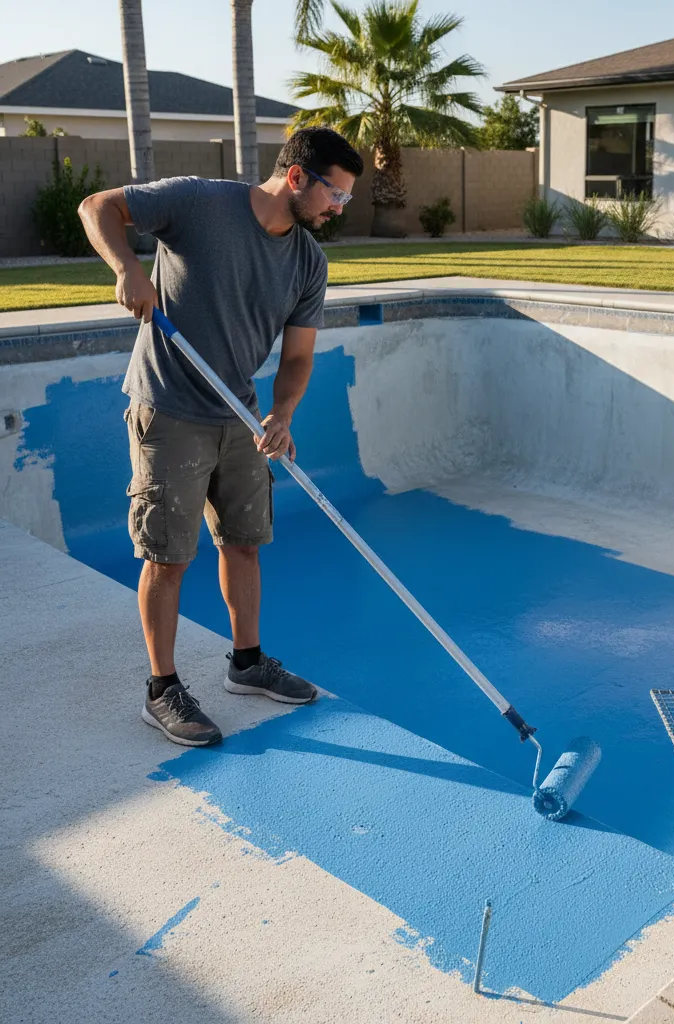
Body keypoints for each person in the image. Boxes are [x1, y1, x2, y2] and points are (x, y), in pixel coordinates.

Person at [78, 127, 364, 747]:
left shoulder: (308, 261)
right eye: (334, 196)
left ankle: (247, 662)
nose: (337, 209)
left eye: (343, 200)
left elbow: (296, 361)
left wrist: (282, 414)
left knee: (243, 544)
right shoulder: (199, 202)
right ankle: (162, 690)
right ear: (296, 177)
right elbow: (97, 206)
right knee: (170, 555)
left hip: (241, 414)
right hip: (171, 406)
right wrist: (127, 266)